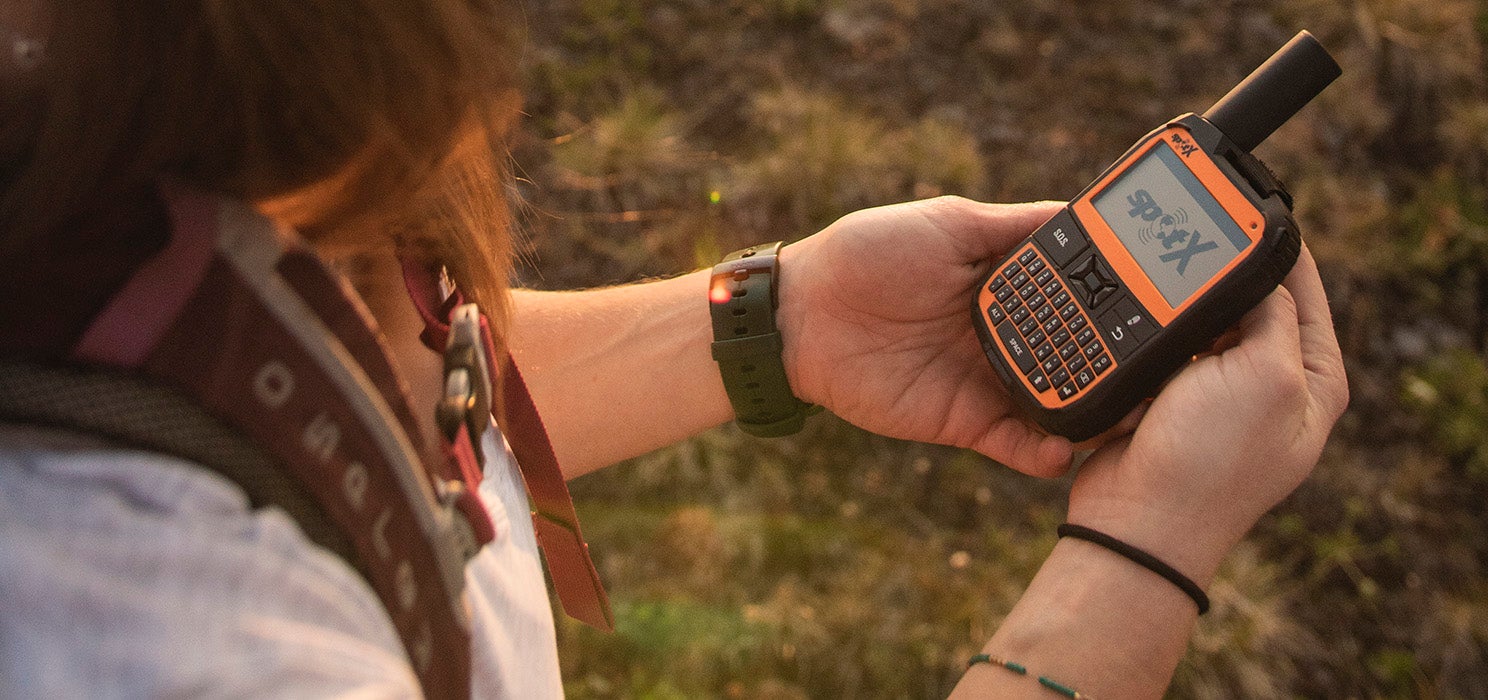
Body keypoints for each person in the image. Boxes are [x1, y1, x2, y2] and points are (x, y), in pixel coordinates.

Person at [0, 1, 1348, 698]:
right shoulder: (156, 640)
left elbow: (346, 397)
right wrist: (1139, 558)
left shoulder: (106, 125)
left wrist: (783, 322)